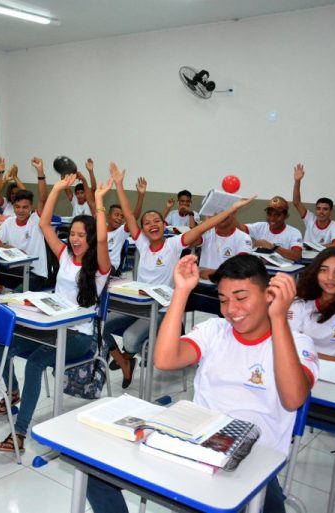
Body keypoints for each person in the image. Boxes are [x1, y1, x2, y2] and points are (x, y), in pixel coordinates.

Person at [85, 254, 318, 513]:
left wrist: (278, 319)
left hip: (252, 460)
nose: (231, 309)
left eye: (241, 298)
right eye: (223, 300)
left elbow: (294, 398)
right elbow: (164, 359)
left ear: (268, 296)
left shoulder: (297, 343)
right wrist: (182, 291)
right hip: (196, 444)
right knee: (95, 472)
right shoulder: (215, 331)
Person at [0, 173, 112, 453]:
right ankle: (12, 390)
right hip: (51, 328)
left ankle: (19, 433)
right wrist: (57, 188)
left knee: (34, 364)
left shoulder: (99, 267)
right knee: (0, 348)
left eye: (82, 236)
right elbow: (44, 223)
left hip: (79, 336)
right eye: (73, 234)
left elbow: (104, 241)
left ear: (92, 239)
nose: (75, 239)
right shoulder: (65, 256)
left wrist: (99, 202)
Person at [105, 162, 254, 388]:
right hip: (137, 305)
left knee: (130, 339)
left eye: (156, 221)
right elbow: (127, 213)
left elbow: (202, 229)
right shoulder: (142, 244)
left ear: (164, 224)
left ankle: (130, 354)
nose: (152, 225)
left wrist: (231, 210)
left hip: (160, 309)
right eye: (147, 223)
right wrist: (118, 183)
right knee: (100, 325)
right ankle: (124, 360)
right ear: (142, 230)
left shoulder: (174, 245)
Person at [288, 208, 335, 361]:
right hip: (304, 374)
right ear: (316, 273)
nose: (330, 278)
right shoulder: (299, 303)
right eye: (324, 270)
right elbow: (292, 350)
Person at [0, 157, 50, 292]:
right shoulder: (9, 222)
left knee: (14, 296)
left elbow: (43, 198)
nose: (21, 211)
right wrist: (11, 248)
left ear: (31, 207)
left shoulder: (36, 220)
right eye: (17, 207)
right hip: (15, 271)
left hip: (36, 274)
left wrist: (40, 171)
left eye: (25, 207)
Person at [239, 196, 303, 263]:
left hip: (283, 270)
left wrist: (272, 247)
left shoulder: (294, 232)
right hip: (262, 270)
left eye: (277, 215)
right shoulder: (261, 226)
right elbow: (240, 229)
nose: (272, 218)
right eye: (269, 214)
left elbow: (297, 256)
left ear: (286, 216)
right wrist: (233, 210)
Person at [292, 163, 335, 247]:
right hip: (305, 257)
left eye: (325, 209)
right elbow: (296, 202)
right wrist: (297, 181)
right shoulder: (310, 219)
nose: (321, 212)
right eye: (318, 208)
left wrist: (315, 248)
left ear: (331, 211)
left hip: (324, 258)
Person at [197, 209, 252, 280]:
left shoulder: (243, 237)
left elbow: (242, 265)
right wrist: (206, 223)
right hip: (202, 283)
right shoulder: (206, 232)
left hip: (227, 284)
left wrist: (215, 273)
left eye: (225, 211)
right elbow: (189, 242)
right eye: (219, 212)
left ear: (234, 214)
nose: (222, 215)